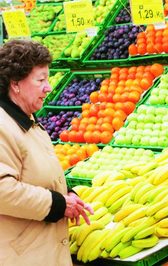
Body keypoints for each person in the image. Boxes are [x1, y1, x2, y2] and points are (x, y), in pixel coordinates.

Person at [0, 39, 93, 266]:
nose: (49, 87)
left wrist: (67, 193)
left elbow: (35, 172)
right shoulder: (3, 126)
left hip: (42, 250)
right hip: (22, 255)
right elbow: (3, 190)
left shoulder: (27, 119)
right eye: (41, 79)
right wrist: (58, 204)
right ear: (16, 83)